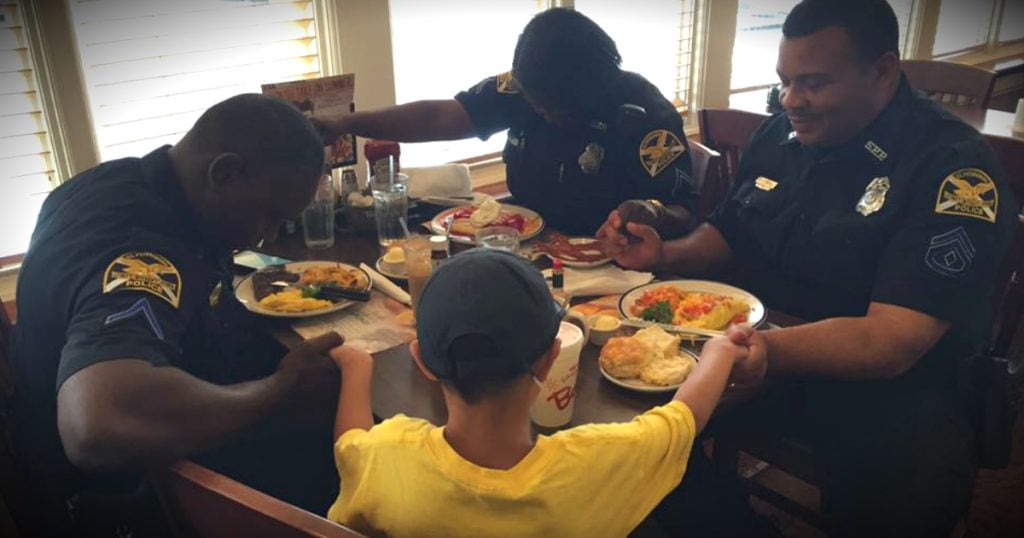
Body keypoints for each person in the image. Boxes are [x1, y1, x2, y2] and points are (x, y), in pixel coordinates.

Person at [598, 0, 1015, 535]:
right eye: (785, 81)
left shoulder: (952, 169)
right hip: (758, 354)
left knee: (902, 473)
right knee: (635, 439)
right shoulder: (780, 136)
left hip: (894, 388)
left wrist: (764, 350)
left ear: (883, 70)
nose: (792, 100)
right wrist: (663, 255)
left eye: (814, 84)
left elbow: (890, 342)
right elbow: (730, 232)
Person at [10, 94, 344, 536]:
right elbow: (97, 424)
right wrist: (277, 392)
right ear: (224, 172)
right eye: (269, 215)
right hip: (123, 494)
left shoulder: (109, 182)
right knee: (356, 458)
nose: (265, 237)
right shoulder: (144, 252)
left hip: (101, 436)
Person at [324, 248, 764, 536]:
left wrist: (355, 366)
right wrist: (721, 349)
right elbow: (684, 417)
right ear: (549, 358)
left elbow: (350, 445)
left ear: (422, 362)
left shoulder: (387, 456)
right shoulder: (601, 460)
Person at [315, 8, 698, 236]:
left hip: (614, 272)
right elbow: (440, 116)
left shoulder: (647, 118)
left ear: (588, 90)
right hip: (526, 250)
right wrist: (347, 122)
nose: (541, 113)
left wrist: (653, 212)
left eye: (552, 109)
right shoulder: (525, 87)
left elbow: (687, 213)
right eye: (535, 104)